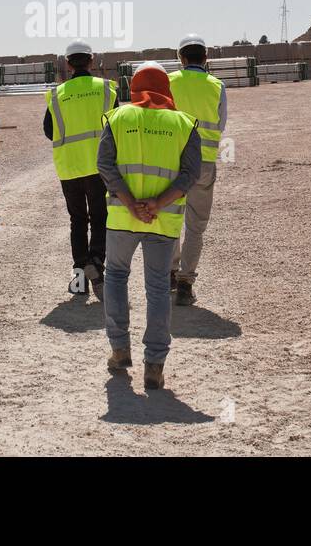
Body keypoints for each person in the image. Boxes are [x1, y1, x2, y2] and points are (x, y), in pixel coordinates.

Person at [98, 62, 201, 390]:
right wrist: (158, 203)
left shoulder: (118, 118)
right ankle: (154, 364)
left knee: (115, 276)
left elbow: (104, 164)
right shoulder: (184, 124)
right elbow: (190, 175)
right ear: (166, 89)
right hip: (163, 220)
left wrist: (130, 202)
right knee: (158, 288)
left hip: (122, 218)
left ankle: (119, 349)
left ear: (134, 88)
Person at [44, 40, 119, 298]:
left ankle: (79, 281)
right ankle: (96, 263)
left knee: (77, 220)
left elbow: (48, 130)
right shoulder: (107, 89)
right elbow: (118, 124)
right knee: (100, 218)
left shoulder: (57, 95)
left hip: (69, 166)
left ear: (68, 64)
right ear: (91, 60)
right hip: (100, 166)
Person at [167, 33, 227, 306]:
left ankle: (169, 272)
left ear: (180, 58)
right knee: (195, 227)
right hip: (203, 162)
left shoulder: (167, 82)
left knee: (170, 220)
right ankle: (185, 283)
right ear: (206, 58)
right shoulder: (217, 86)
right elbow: (220, 123)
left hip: (170, 162)